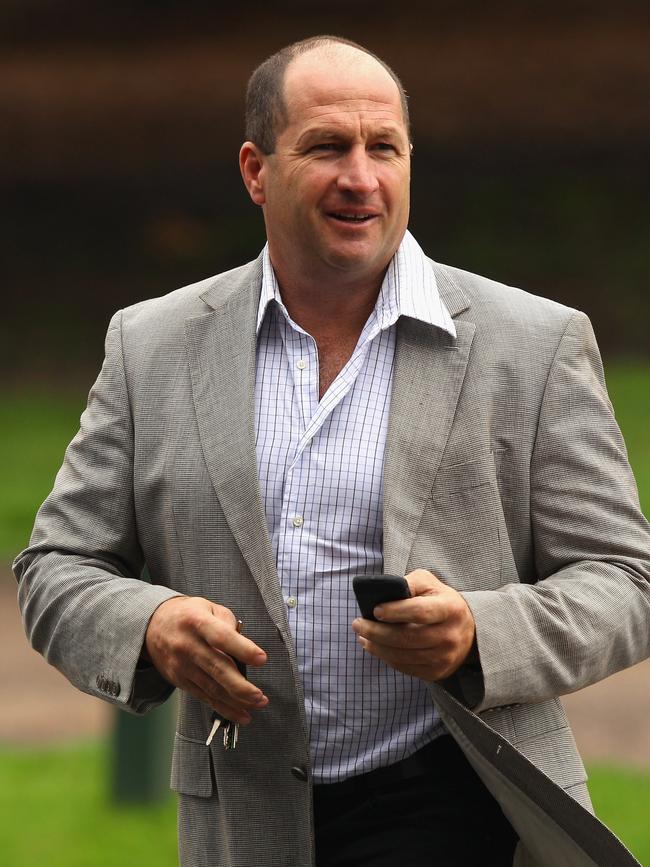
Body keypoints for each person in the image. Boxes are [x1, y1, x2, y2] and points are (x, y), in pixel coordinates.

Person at [14, 35, 650, 867]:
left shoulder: (532, 344)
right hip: (246, 816)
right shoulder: (153, 345)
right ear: (255, 170)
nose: (361, 175)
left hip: (464, 803)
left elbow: (626, 580)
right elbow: (57, 564)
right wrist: (152, 624)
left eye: (383, 146)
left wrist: (478, 631)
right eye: (326, 147)